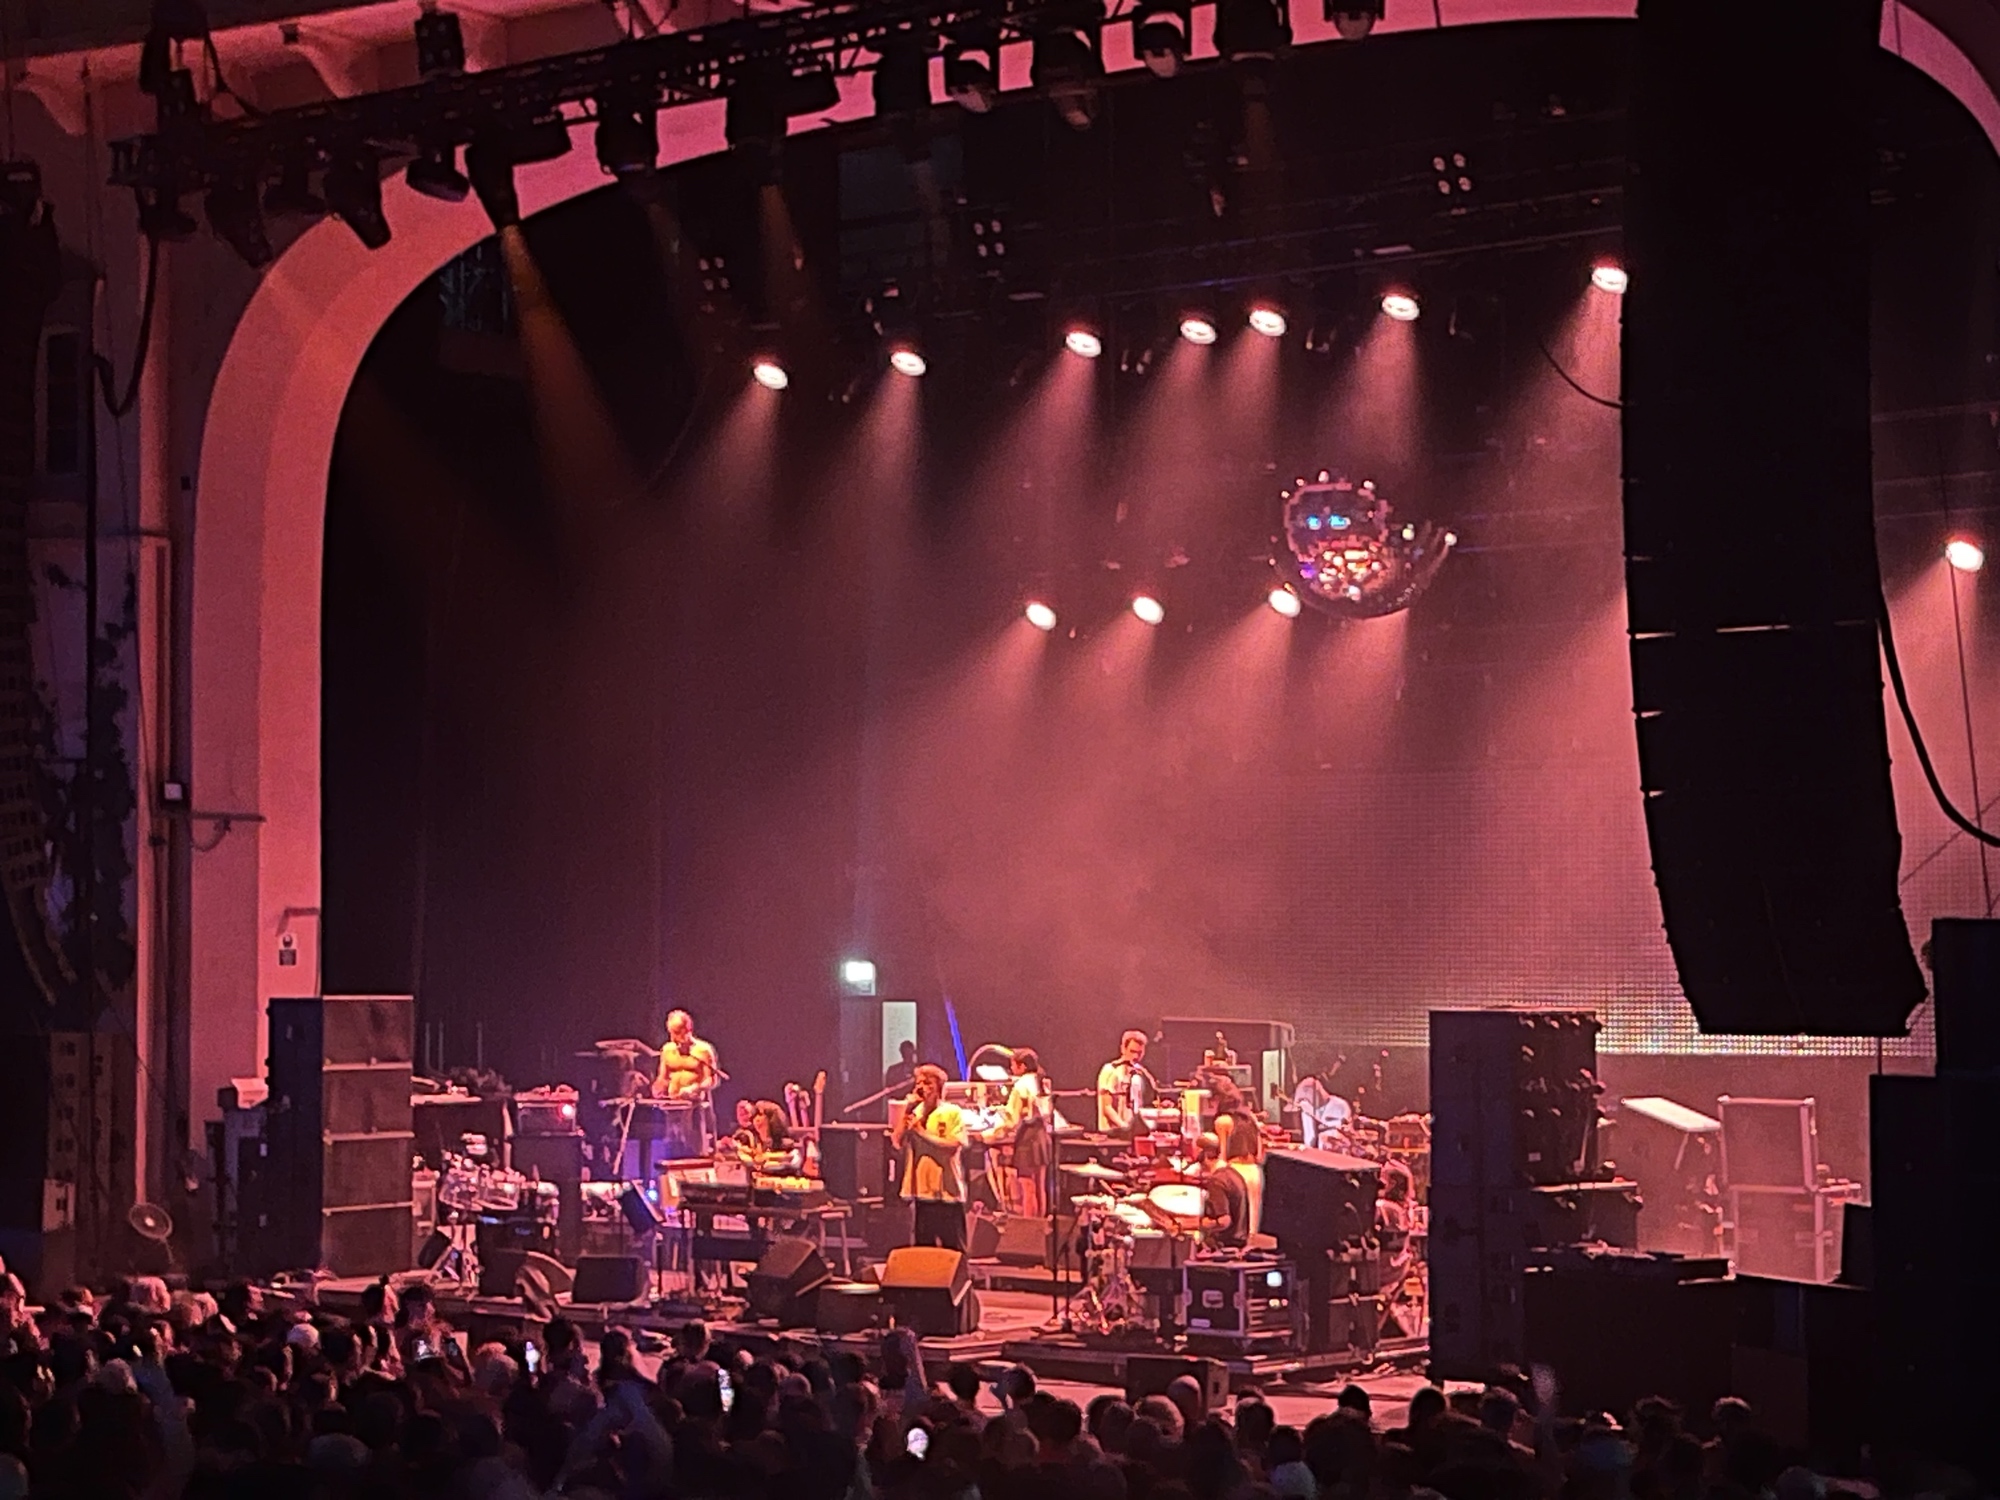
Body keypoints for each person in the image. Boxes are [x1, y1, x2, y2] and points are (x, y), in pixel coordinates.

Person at [892, 1064, 968, 1251]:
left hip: (946, 1191)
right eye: (919, 1083)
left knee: (953, 1248)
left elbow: (953, 1145)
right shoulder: (915, 1112)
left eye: (928, 1083)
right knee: (924, 1250)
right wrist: (907, 1111)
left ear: (939, 1087)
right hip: (922, 1191)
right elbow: (897, 1141)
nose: (922, 1087)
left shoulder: (952, 1112)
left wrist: (921, 1132)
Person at [994, 1048, 1050, 1219]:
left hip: (1027, 1139)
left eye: (1013, 1065)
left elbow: (1012, 1120)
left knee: (1027, 1187)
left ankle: (1028, 1228)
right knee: (1040, 1187)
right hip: (1042, 1135)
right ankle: (1041, 1227)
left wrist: (995, 1129)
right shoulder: (1042, 1081)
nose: (1011, 1069)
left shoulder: (1020, 1086)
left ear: (1022, 1066)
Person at [655, 1008, 721, 1099]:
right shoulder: (667, 1050)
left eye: (677, 1032)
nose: (673, 1038)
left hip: (695, 1101)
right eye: (671, 1033)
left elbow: (711, 1080)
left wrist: (694, 1088)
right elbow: (662, 1078)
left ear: (688, 1030)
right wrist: (657, 1088)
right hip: (672, 1101)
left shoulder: (703, 1050)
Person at [1097, 1030, 1153, 1133]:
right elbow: (1106, 1106)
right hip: (1113, 1133)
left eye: (1139, 1053)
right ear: (1123, 1049)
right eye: (1132, 1051)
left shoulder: (1140, 1073)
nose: (1135, 1056)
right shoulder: (1110, 1070)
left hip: (1132, 1131)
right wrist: (1124, 1127)